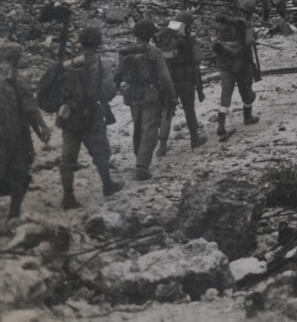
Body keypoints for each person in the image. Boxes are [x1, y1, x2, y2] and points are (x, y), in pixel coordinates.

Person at [57, 26, 123, 208]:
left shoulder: (69, 62)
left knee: (68, 157)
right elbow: (109, 92)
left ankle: (68, 196)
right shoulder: (101, 63)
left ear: (82, 41)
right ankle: (107, 185)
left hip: (69, 115)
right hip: (91, 115)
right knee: (101, 152)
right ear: (98, 42)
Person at [115, 18, 176, 180]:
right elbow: (164, 77)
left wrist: (112, 91)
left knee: (138, 127)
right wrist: (172, 96)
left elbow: (117, 75)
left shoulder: (126, 51)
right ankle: (142, 166)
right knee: (149, 129)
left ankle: (139, 160)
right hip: (151, 93)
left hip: (132, 94)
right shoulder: (154, 52)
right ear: (150, 35)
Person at [0, 40, 50, 221]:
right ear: (15, 59)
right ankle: (13, 213)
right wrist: (42, 127)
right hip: (15, 135)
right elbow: (29, 108)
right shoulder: (15, 78)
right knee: (20, 172)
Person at [156, 11, 208, 154]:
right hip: (186, 79)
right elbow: (198, 58)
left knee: (167, 111)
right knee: (189, 109)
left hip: (168, 80)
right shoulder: (190, 39)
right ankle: (194, 138)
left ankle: (162, 147)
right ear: (187, 26)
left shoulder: (163, 38)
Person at [214, 0, 261, 138]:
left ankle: (221, 125)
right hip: (242, 63)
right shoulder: (245, 24)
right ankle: (247, 117)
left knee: (225, 94)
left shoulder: (226, 23)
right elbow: (249, 42)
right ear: (250, 12)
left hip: (226, 63)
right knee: (246, 90)